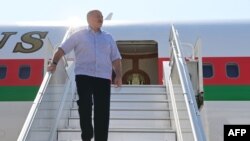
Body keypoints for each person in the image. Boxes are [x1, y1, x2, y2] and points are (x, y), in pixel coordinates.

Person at [47, 10, 122, 141]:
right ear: (89, 19)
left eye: (102, 16)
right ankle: (87, 135)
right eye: (97, 16)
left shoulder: (108, 37)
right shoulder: (79, 35)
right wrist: (53, 63)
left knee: (103, 111)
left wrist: (119, 75)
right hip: (84, 76)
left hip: (103, 78)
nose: (101, 18)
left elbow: (116, 58)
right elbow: (62, 49)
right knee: (85, 105)